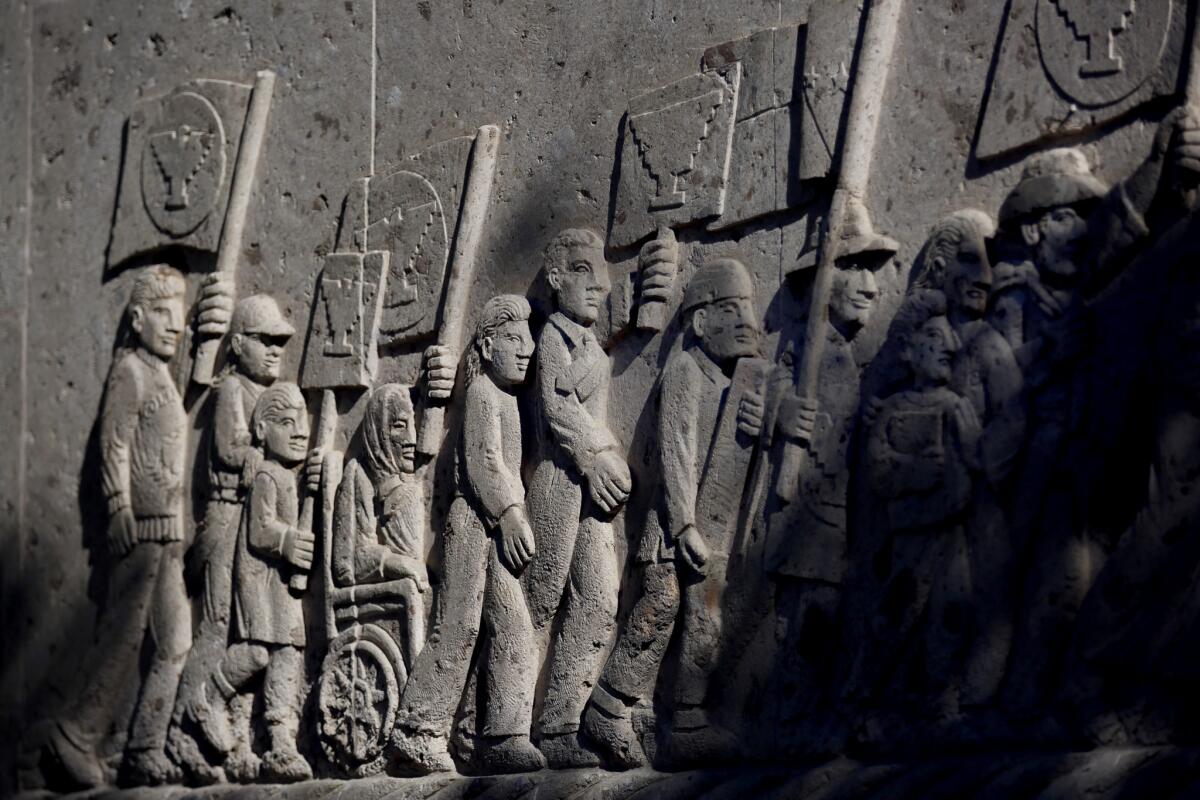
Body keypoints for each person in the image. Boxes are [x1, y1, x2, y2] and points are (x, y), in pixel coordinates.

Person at [995, 104, 1200, 717]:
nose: (1076, 231)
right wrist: (1159, 164)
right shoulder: (1017, 297)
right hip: (1060, 460)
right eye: (1064, 217)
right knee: (1051, 587)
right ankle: (1056, 691)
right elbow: (1103, 251)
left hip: (1100, 449)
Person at [28, 266, 230, 788]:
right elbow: (113, 445)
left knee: (175, 641)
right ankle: (74, 735)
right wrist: (118, 507)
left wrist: (214, 312)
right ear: (137, 319)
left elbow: (191, 382)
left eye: (179, 313)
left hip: (165, 531)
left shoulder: (161, 372)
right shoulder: (130, 372)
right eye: (162, 313)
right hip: (138, 532)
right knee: (122, 636)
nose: (174, 324)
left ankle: (141, 746)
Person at [580, 258, 765, 769]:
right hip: (671, 531)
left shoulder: (735, 386)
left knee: (704, 619)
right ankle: (610, 707)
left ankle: (682, 717)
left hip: (708, 530)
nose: (747, 321)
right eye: (732, 310)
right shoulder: (684, 371)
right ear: (701, 322)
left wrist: (759, 426)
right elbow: (676, 452)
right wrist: (683, 524)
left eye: (748, 309)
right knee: (658, 611)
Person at [391, 295, 544, 775]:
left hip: (493, 526)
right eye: (516, 340)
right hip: (474, 522)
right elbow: (481, 464)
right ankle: (417, 730)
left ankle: (495, 735)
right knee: (457, 627)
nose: (528, 350)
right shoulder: (480, 393)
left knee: (514, 628)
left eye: (530, 340)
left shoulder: (507, 398)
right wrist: (512, 513)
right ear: (489, 342)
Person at [763, 199, 897, 741]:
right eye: (854, 268)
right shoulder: (804, 347)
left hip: (846, 509)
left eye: (874, 270)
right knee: (810, 618)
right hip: (808, 512)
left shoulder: (849, 353)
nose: (870, 283)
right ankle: (791, 719)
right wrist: (781, 412)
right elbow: (767, 386)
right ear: (824, 280)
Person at [170, 295, 297, 783]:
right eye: (265, 341)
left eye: (280, 342)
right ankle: (186, 728)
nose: (274, 350)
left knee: (250, 636)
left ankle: (235, 740)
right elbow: (229, 451)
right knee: (219, 627)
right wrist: (269, 447)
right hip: (227, 522)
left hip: (254, 526)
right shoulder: (232, 393)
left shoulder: (259, 391)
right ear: (238, 344)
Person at [523, 229, 631, 767]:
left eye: (603, 272)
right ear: (557, 277)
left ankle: (559, 723)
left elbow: (592, 415)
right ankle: (500, 726)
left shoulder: (595, 351)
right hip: (559, 485)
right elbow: (555, 408)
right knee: (539, 603)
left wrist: (606, 454)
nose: (602, 284)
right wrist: (596, 456)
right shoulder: (551, 341)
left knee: (599, 599)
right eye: (585, 270)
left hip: (592, 495)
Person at [849, 290, 979, 729]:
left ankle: (940, 700)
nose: (949, 347)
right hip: (910, 537)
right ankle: (867, 700)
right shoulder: (894, 412)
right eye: (935, 340)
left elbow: (980, 461)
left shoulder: (956, 408)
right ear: (910, 350)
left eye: (950, 342)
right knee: (897, 615)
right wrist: (921, 469)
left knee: (953, 611)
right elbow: (879, 470)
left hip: (953, 532)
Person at [909, 211, 1023, 706]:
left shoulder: (989, 345)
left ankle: (973, 703)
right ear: (939, 268)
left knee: (986, 599)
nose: (983, 275)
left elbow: (1014, 415)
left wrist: (980, 460)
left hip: (979, 500)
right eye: (969, 261)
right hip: (925, 507)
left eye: (989, 262)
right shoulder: (922, 342)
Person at [188, 382, 317, 783]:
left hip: (280, 581)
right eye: (286, 422)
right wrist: (288, 541)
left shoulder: (283, 475)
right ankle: (208, 698)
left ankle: (280, 737)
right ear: (261, 431)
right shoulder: (264, 475)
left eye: (303, 423)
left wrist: (313, 478)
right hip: (260, 577)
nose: (299, 431)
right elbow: (259, 532)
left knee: (289, 651)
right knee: (259, 652)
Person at [331, 383, 434, 669]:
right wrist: (398, 563)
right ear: (378, 431)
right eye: (399, 426)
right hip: (384, 598)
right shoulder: (358, 476)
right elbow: (346, 563)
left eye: (413, 427)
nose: (411, 439)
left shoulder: (411, 482)